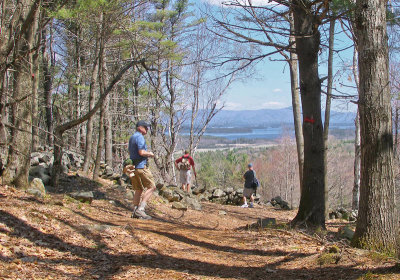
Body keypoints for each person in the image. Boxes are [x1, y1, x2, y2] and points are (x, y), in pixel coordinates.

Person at [128, 120, 156, 220]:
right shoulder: (140, 137)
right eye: (145, 127)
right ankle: (141, 209)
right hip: (141, 166)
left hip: (133, 167)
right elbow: (141, 152)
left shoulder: (132, 137)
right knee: (152, 187)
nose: (147, 129)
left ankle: (135, 211)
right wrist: (150, 154)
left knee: (138, 189)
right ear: (140, 127)